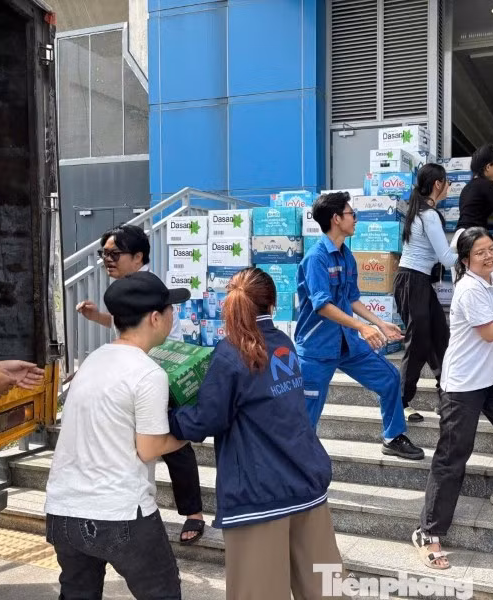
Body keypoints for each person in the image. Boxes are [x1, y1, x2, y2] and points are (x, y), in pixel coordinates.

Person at [169, 268, 340, 600]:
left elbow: (207, 419)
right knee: (326, 589)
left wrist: (171, 417)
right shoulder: (284, 344)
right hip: (306, 483)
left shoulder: (230, 353)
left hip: (259, 495)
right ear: (272, 303)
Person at [44, 271, 190, 599]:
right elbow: (150, 448)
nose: (173, 316)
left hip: (63, 510)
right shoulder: (148, 373)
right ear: (155, 318)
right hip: (120, 513)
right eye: (171, 310)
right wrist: (185, 435)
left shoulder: (94, 360)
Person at [412, 227, 493, 570]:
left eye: (492, 248)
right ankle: (428, 533)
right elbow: (489, 333)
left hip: (490, 379)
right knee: (453, 455)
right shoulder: (469, 288)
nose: (489, 256)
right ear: (466, 260)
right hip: (461, 385)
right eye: (480, 252)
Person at [76, 224, 205, 543]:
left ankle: (193, 513)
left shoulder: (151, 289)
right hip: (132, 375)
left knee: (175, 444)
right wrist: (98, 318)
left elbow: (155, 333)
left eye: (114, 253)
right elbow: (130, 327)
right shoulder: (125, 287)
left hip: (155, 375)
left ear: (138, 257)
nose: (107, 259)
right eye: (103, 253)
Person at [295, 192, 424, 460]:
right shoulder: (316, 258)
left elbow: (351, 298)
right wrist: (362, 327)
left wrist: (378, 323)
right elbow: (322, 305)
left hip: (346, 342)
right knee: (307, 415)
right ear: (336, 219)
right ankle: (298, 464)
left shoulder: (347, 256)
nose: (356, 218)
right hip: (317, 348)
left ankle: (392, 436)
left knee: (389, 378)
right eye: (352, 213)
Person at [394, 163, 457, 423]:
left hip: (415, 282)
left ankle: (448, 397)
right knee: (418, 343)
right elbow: (446, 258)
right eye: (447, 182)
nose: (449, 187)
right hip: (412, 281)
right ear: (438, 185)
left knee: (440, 336)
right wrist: (471, 250)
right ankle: (400, 401)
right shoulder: (428, 215)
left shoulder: (420, 211)